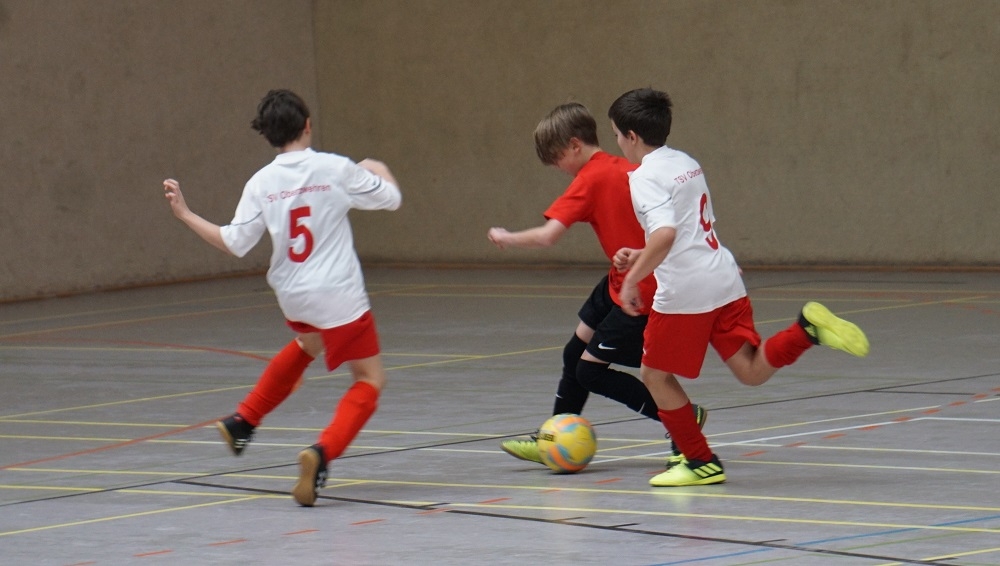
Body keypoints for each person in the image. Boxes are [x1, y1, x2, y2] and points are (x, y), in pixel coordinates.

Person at [607, 88, 870, 487]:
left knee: (655, 376)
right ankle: (806, 331)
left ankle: (700, 461)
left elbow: (666, 234)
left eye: (615, 135)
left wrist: (631, 278)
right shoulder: (685, 163)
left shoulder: (643, 176)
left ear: (631, 136)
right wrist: (641, 255)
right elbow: (685, 233)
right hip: (723, 276)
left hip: (687, 293)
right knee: (749, 371)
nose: (617, 143)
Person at [162, 89, 401, 506]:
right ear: (307, 125)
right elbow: (390, 199)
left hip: (293, 293)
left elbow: (233, 243)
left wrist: (185, 214)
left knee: (309, 342)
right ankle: (321, 454)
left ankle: (243, 420)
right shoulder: (335, 168)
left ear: (268, 135)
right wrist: (377, 168)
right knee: (370, 379)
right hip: (337, 293)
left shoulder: (261, 182)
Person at [488, 102, 705, 469]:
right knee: (574, 354)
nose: (558, 168)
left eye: (557, 159)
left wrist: (505, 237)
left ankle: (683, 418)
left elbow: (548, 236)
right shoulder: (627, 167)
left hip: (642, 292)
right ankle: (551, 438)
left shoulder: (589, 179)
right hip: (621, 279)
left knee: (589, 370)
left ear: (575, 145)